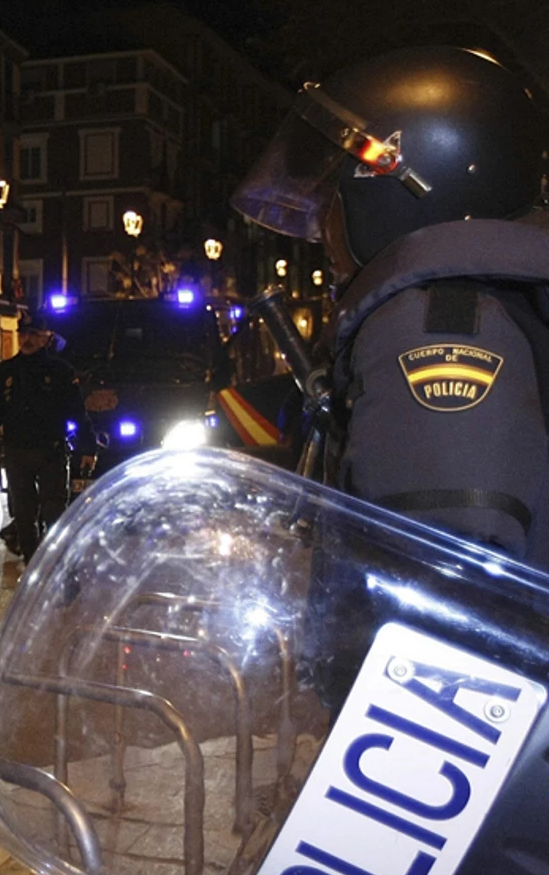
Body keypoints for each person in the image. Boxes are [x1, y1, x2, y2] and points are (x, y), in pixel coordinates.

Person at [233, 45, 549, 567]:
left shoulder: (436, 329)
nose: (320, 229)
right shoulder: (489, 307)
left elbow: (437, 589)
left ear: (397, 190)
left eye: (330, 205)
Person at [0, 311, 86, 563]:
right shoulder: (8, 370)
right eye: (23, 334)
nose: (27, 339)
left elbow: (77, 411)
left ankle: (57, 563)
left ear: (46, 337)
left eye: (34, 334)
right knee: (23, 513)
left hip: (49, 451)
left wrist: (88, 446)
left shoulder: (59, 371)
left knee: (54, 510)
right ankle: (32, 562)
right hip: (16, 450)